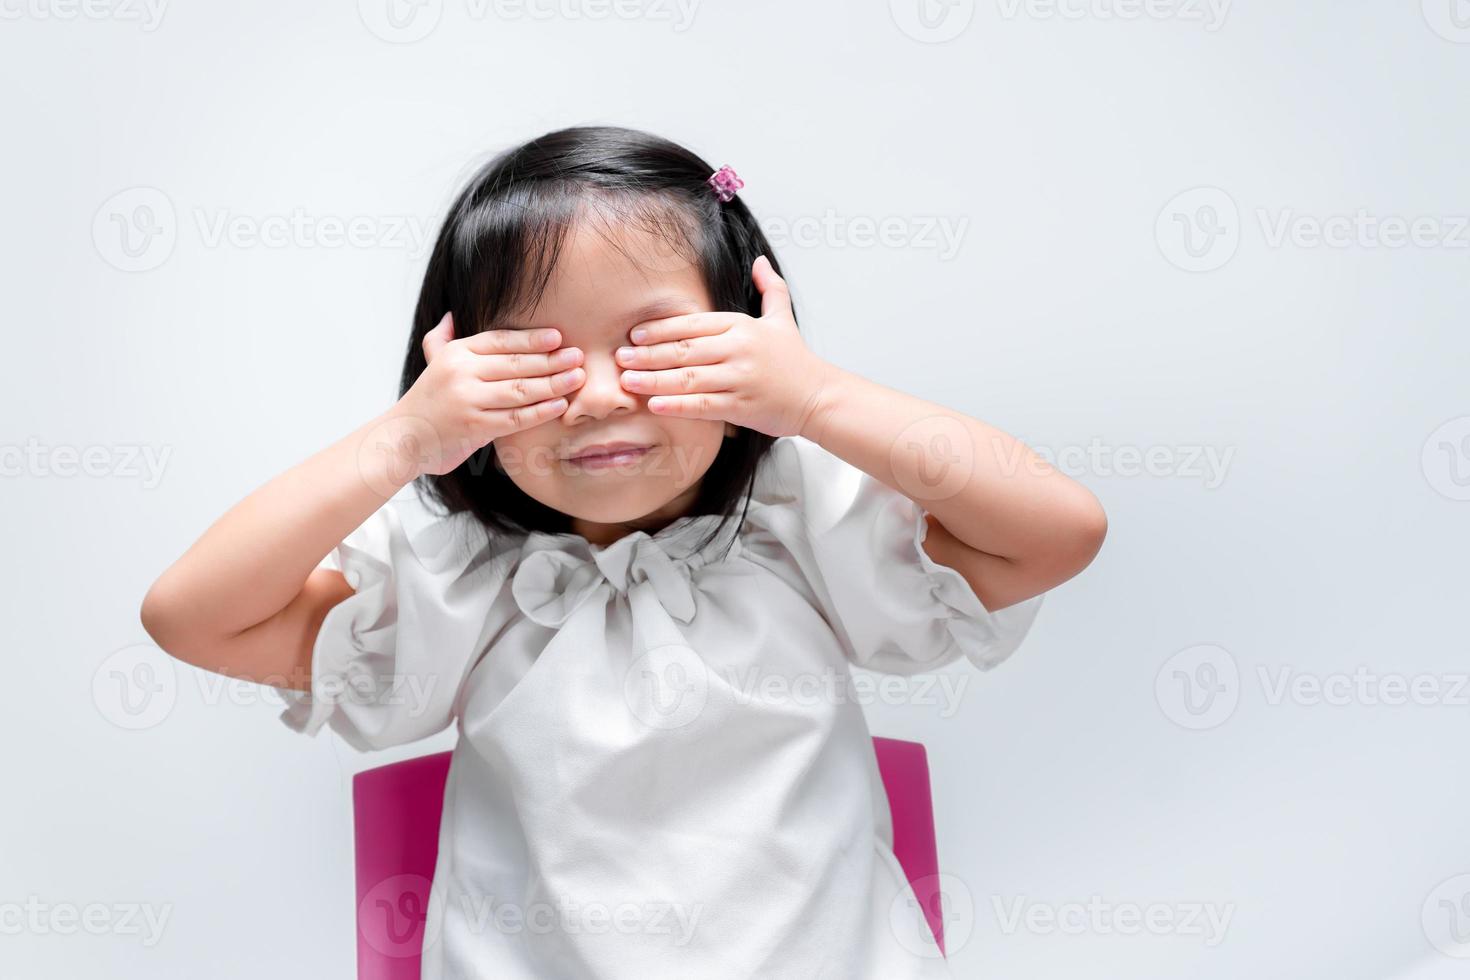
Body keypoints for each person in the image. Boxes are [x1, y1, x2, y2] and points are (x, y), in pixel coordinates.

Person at [140, 124, 1107, 979]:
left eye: (656, 347)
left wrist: (816, 397)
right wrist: (400, 442)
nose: (600, 395)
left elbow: (1059, 531)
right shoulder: (458, 576)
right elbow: (189, 616)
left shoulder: (798, 522)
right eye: (536, 360)